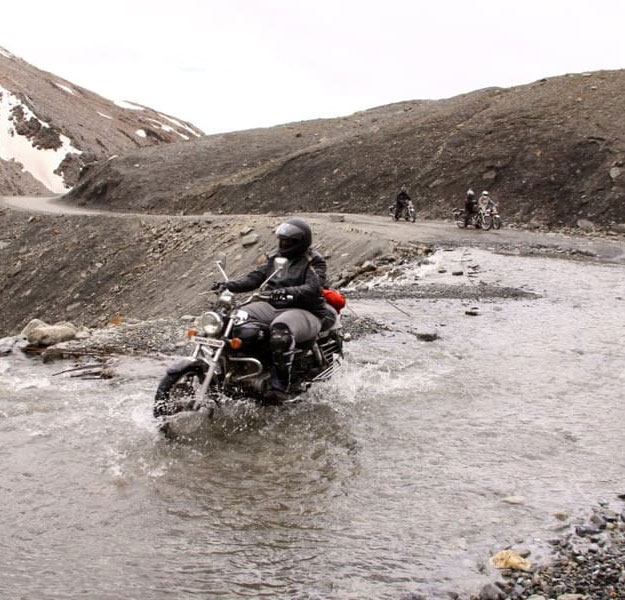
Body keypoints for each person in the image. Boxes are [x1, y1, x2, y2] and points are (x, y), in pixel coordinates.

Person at [213, 218, 335, 400]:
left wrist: (287, 291)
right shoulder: (274, 258)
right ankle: (233, 370)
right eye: (282, 239)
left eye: (289, 241)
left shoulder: (313, 261)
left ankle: (280, 386)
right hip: (273, 305)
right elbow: (254, 278)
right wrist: (229, 285)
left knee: (280, 332)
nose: (284, 244)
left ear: (300, 242)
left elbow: (314, 287)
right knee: (234, 319)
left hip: (305, 310)